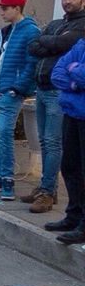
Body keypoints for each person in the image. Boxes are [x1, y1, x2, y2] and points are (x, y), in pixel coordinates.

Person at [23, 0, 85, 211]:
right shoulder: (58, 23)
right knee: (44, 142)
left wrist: (48, 42)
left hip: (60, 91)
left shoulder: (82, 24)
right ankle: (45, 186)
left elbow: (64, 44)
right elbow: (33, 46)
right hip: (43, 86)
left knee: (52, 142)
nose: (67, 1)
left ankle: (48, 193)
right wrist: (52, 43)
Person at [0, 0, 41, 200]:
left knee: (5, 133)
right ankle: (1, 176)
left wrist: (18, 88)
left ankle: (7, 180)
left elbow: (32, 63)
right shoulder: (4, 31)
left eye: (5, 8)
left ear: (17, 8)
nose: (1, 12)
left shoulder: (30, 31)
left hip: (10, 91)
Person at [48, 30, 85, 244]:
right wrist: (74, 80)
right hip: (72, 112)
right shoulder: (81, 44)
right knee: (70, 166)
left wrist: (75, 70)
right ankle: (74, 215)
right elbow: (57, 72)